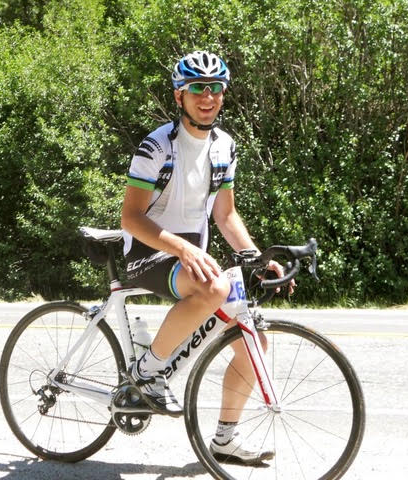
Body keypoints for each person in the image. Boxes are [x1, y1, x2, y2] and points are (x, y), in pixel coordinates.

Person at [120, 51, 293, 464]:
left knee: (254, 343)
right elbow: (131, 218)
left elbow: (226, 215)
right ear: (179, 96)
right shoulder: (156, 146)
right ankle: (147, 372)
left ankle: (224, 440)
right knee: (213, 287)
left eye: (215, 88)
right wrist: (182, 248)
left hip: (192, 259)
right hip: (148, 253)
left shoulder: (224, 147)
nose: (207, 96)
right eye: (197, 88)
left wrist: (255, 257)